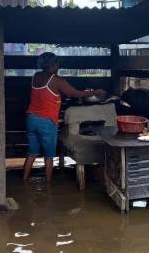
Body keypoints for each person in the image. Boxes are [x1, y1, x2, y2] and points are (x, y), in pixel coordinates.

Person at [23, 52, 105, 182]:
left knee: (31, 153)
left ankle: (24, 179)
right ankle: (49, 185)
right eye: (57, 64)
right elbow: (74, 93)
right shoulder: (56, 79)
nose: (58, 67)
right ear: (52, 65)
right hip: (46, 122)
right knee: (49, 156)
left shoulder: (36, 76)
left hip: (31, 119)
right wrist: (95, 92)